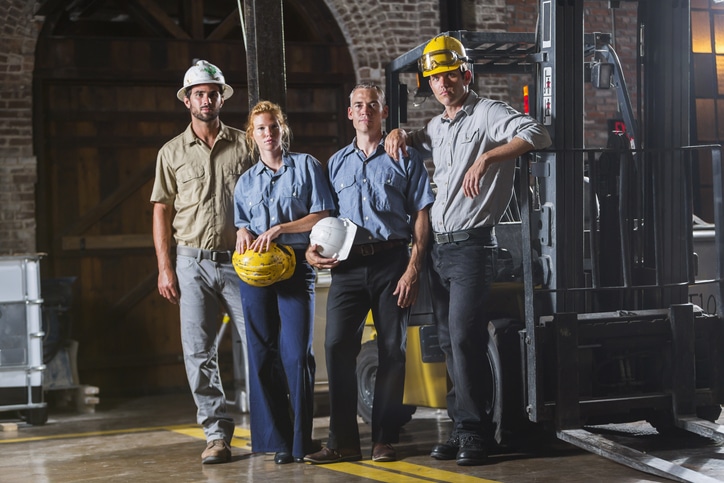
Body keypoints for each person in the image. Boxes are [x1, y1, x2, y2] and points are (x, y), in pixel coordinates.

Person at [385, 34, 552, 466]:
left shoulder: (488, 112)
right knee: (447, 342)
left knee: (465, 338)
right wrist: (400, 132)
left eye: (448, 75)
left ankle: (479, 433)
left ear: (465, 73)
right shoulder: (439, 125)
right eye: (435, 78)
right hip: (439, 249)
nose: (442, 84)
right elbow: (420, 138)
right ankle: (462, 429)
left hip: (473, 248)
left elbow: (537, 132)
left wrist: (488, 158)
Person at [303, 84, 434, 464]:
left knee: (392, 351)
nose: (365, 111)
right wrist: (313, 249)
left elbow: (422, 213)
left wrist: (413, 266)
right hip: (347, 267)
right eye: (358, 106)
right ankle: (341, 441)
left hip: (392, 262)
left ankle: (384, 439)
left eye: (372, 105)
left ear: (383, 111)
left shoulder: (404, 157)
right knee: (336, 348)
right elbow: (324, 218)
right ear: (350, 113)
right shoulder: (336, 163)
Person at [151, 59, 251, 464]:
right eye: (199, 94)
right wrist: (165, 266)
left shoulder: (246, 144)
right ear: (187, 100)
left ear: (220, 97)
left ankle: (271, 427)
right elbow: (161, 208)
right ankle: (216, 435)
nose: (206, 99)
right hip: (191, 262)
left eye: (213, 93)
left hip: (241, 263)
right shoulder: (171, 152)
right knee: (198, 352)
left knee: (261, 343)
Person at [234, 101, 335, 464]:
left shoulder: (307, 166)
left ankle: (300, 440)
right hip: (256, 276)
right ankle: (276, 439)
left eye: (273, 126)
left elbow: (322, 213)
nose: (268, 133)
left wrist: (280, 228)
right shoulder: (245, 182)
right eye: (261, 128)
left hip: (295, 269)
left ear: (283, 129)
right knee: (261, 355)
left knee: (296, 355)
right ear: (252, 135)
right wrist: (243, 229)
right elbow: (240, 223)